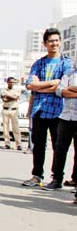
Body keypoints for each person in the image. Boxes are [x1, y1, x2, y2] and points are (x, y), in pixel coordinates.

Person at [22, 28, 72, 187]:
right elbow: (30, 84)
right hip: (39, 109)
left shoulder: (66, 63)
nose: (55, 44)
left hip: (59, 110)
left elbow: (63, 85)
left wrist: (40, 86)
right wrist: (52, 83)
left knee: (59, 147)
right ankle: (37, 175)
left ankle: (56, 178)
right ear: (45, 43)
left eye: (57, 40)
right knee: (38, 145)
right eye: (51, 41)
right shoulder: (39, 63)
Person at [45, 60, 77, 191]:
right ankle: (57, 179)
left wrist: (69, 89)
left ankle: (75, 179)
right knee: (60, 150)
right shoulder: (69, 74)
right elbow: (59, 91)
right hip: (65, 117)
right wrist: (70, 91)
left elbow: (65, 90)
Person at [1, 77, 23, 150]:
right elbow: (4, 99)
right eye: (10, 82)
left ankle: (18, 144)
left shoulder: (17, 90)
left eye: (13, 82)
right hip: (6, 110)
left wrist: (8, 96)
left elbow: (16, 97)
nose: (12, 83)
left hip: (14, 110)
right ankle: (7, 143)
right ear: (7, 82)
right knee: (5, 128)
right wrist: (12, 97)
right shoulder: (4, 90)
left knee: (15, 128)